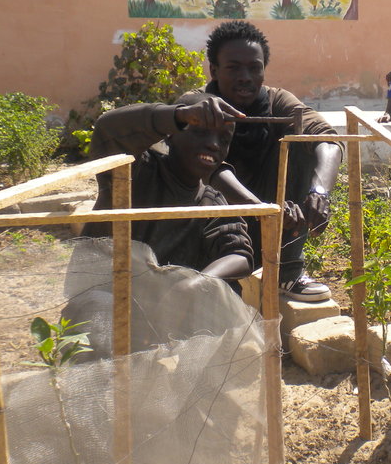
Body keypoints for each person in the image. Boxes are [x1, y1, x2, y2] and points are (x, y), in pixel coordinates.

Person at [70, 91, 254, 358]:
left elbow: (238, 253)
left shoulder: (211, 201)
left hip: (165, 315)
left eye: (223, 140)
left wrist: (196, 282)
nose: (213, 144)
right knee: (100, 312)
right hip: (107, 306)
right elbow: (108, 129)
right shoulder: (134, 171)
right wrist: (177, 115)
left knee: (220, 297)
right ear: (171, 134)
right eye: (201, 131)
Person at [202, 20, 343, 302]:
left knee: (303, 143)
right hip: (212, 224)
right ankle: (207, 273)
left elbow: (329, 139)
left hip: (272, 220)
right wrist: (262, 210)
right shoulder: (199, 105)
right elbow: (210, 167)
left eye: (254, 68)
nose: (245, 77)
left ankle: (285, 271)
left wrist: (320, 193)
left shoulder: (278, 102)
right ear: (214, 71)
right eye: (234, 67)